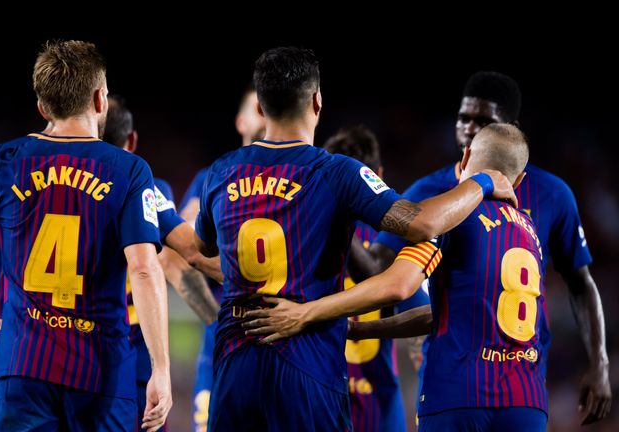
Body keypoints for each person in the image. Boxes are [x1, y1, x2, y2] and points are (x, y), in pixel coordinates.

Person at [194, 46, 516, 432]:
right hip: (307, 366)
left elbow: (206, 250)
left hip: (235, 364)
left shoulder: (217, 174)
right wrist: (483, 180)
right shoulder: (336, 173)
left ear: (260, 107)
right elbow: (421, 224)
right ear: (317, 101)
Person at [0, 40, 171, 431]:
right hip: (102, 374)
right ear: (100, 100)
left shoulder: (4, 161)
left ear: (42, 108)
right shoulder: (131, 170)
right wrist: (161, 369)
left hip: (23, 367)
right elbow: (145, 270)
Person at [245, 124, 553, 430]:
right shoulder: (530, 233)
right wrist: (360, 330)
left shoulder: (453, 216)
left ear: (466, 155)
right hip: (527, 400)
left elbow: (397, 284)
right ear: (520, 178)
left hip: (459, 394)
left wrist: (306, 313)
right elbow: (446, 314)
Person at [362, 71, 610, 425]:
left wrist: (599, 362)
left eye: (484, 121)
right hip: (511, 391)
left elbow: (581, 282)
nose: (469, 128)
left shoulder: (548, 195)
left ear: (511, 128)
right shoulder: (428, 188)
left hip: (462, 388)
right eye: (464, 117)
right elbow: (377, 266)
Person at [104, 95, 221, 432]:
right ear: (132, 141)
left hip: (67, 347)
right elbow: (188, 253)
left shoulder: (58, 182)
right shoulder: (149, 188)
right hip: (137, 354)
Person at [324, 125, 429, 432]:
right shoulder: (393, 239)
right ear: (378, 175)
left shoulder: (306, 230)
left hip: (318, 395)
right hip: (378, 405)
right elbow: (419, 311)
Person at [178, 85, 265, 432]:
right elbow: (181, 244)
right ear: (239, 121)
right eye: (257, 107)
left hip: (287, 342)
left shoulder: (297, 176)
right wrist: (215, 317)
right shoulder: (214, 177)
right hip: (223, 340)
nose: (264, 112)